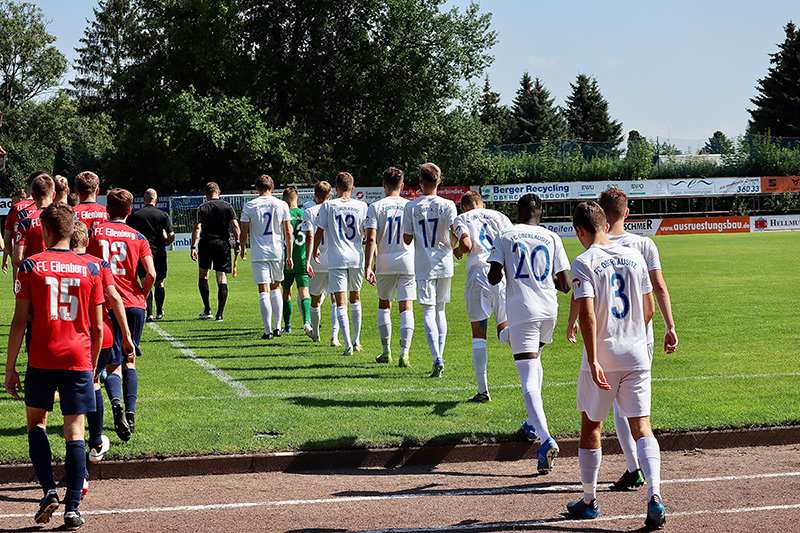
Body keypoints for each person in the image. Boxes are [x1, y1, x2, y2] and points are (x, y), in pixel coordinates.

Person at [568, 187, 678, 491]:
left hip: (604, 354)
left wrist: (592, 358)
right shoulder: (635, 255)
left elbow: (588, 316)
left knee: (592, 425)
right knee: (643, 426)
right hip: (637, 352)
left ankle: (589, 500)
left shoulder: (583, 260)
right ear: (606, 223)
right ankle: (655, 495)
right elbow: (649, 308)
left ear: (580, 230)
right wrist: (631, 332)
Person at [4, 203, 104, 529]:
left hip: (42, 357)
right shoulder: (91, 268)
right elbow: (99, 326)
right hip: (78, 358)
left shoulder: (31, 266)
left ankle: (48, 490)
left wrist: (9, 368)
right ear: (73, 228)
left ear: (45, 231)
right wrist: (94, 365)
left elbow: (20, 321)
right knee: (75, 433)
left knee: (37, 425)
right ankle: (73, 507)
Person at [487, 193, 571, 474]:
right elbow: (565, 284)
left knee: (527, 381)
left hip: (523, 311)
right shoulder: (552, 237)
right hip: (550, 310)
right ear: (542, 212)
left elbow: (493, 276)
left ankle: (546, 439)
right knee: (536, 361)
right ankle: (532, 424)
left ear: (517, 211)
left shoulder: (506, 234)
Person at [70, 221, 135, 498]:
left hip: (66, 336)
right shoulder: (98, 264)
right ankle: (95, 444)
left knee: (67, 402)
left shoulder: (49, 262)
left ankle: (79, 464)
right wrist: (128, 335)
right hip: (100, 334)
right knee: (94, 383)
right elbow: (114, 297)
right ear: (86, 240)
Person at [87, 189, 156, 442]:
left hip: (105, 302)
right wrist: (143, 294)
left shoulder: (95, 232)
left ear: (107, 210)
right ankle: (130, 412)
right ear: (129, 211)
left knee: (111, 363)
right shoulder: (138, 237)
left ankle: (115, 401)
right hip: (133, 303)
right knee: (130, 359)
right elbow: (151, 273)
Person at [402, 163, 457, 377]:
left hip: (424, 264)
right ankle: (439, 356)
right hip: (444, 262)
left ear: (420, 182)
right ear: (439, 181)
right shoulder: (449, 204)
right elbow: (455, 230)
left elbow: (406, 239)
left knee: (428, 311)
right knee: (441, 310)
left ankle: (436, 357)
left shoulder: (411, 206)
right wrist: (452, 245)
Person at [364, 167, 415, 367]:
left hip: (385, 261)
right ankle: (405, 351)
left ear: (383, 184)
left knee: (384, 304)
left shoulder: (375, 206)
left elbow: (370, 239)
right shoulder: (410, 206)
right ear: (402, 186)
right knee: (406, 306)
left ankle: (386, 351)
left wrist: (368, 266)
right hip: (407, 261)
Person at [312, 172, 368, 357]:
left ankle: (347, 345)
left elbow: (319, 231)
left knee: (340, 301)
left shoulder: (328, 205)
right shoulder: (362, 206)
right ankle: (356, 340)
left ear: (335, 189)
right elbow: (367, 234)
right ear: (352, 188)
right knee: (356, 298)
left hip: (337, 259)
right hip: (357, 257)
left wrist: (315, 250)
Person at [239, 175, 293, 339]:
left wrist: (242, 248)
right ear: (273, 187)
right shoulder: (282, 204)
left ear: (256, 188)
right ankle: (277, 328)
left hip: (259, 252)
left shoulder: (250, 205)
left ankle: (268, 330)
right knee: (276, 287)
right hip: (277, 250)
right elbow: (288, 232)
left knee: (264, 290)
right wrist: (289, 255)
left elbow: (243, 232)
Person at [191, 182, 241, 321]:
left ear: (206, 194)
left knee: (203, 276)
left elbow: (197, 228)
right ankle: (220, 314)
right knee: (221, 277)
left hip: (206, 244)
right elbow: (235, 226)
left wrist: (193, 247)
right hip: (222, 244)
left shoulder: (202, 207)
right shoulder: (227, 206)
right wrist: (238, 243)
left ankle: (207, 310)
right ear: (219, 193)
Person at [127, 188, 175, 322]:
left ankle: (149, 313)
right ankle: (160, 311)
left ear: (144, 200)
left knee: (145, 281)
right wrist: (166, 243)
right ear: (156, 199)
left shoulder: (136, 216)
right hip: (158, 251)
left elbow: (129, 234)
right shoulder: (162, 215)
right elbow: (171, 234)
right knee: (159, 282)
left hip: (141, 253)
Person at [303, 181, 341, 345]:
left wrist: (308, 259)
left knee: (315, 299)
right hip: (334, 258)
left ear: (314, 195)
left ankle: (316, 334)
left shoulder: (309, 211)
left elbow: (311, 236)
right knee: (336, 299)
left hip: (317, 260)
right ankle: (334, 336)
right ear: (330, 194)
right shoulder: (335, 208)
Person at [280, 186, 312, 335]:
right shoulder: (304, 214)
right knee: (304, 291)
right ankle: (307, 321)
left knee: (286, 292)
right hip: (302, 257)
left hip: (287, 257)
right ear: (297, 200)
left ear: (283, 201)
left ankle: (288, 326)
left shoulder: (284, 215)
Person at [2, 171, 45, 275]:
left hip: (22, 261)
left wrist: (13, 257)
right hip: (47, 264)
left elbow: (7, 240)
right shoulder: (54, 210)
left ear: (27, 190)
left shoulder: (15, 209)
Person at [12, 174, 56, 269]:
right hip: (61, 275)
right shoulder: (65, 217)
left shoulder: (26, 222)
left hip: (36, 277)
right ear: (54, 195)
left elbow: (17, 258)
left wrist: (37, 270)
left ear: (33, 196)